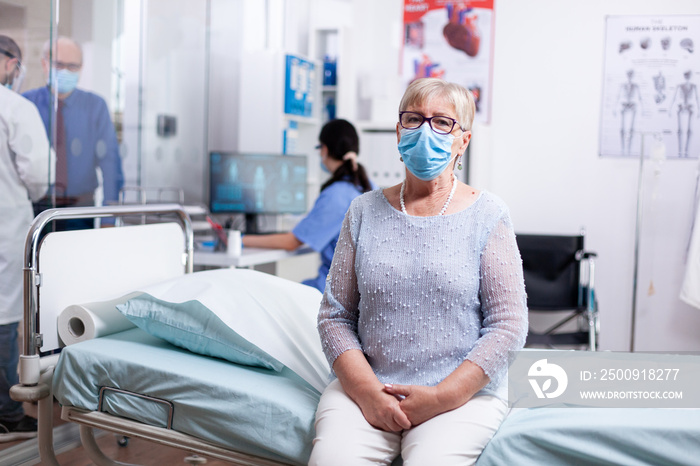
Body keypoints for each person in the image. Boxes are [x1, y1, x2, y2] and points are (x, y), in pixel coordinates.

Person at [309, 78, 528, 465]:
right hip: (366, 390)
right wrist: (366, 392)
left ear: (463, 141)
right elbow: (335, 317)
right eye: (413, 119)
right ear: (398, 132)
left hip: (462, 398)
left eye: (442, 122)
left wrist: (443, 396)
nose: (425, 131)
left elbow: (508, 326)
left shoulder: (488, 215)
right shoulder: (362, 211)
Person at [242, 119, 374, 292]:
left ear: (324, 150)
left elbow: (292, 242)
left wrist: (240, 239)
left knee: (266, 292)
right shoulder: (369, 186)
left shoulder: (337, 194)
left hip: (336, 294)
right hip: (358, 292)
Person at [0, 35, 51, 441]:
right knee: (3, 316)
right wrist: (31, 197)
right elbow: (37, 173)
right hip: (6, 221)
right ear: (9, 64)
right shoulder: (16, 107)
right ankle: (6, 410)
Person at [23, 36, 124, 230]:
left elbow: (111, 165)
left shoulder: (95, 107)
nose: (65, 71)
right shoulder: (27, 104)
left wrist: (109, 218)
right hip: (34, 210)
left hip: (80, 209)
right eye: (59, 65)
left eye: (72, 66)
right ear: (45, 63)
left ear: (81, 67)